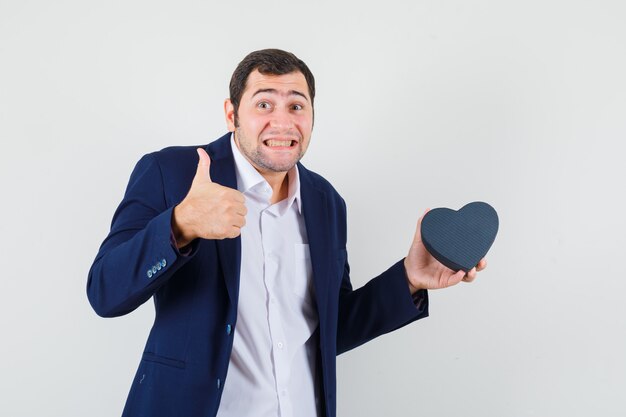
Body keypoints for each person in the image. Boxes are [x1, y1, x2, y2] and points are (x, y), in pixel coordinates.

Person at [87, 48, 486, 417]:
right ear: (232, 114)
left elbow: (329, 328)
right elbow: (105, 291)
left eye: (297, 105)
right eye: (264, 104)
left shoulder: (326, 201)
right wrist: (179, 225)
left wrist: (409, 279)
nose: (282, 121)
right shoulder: (172, 173)